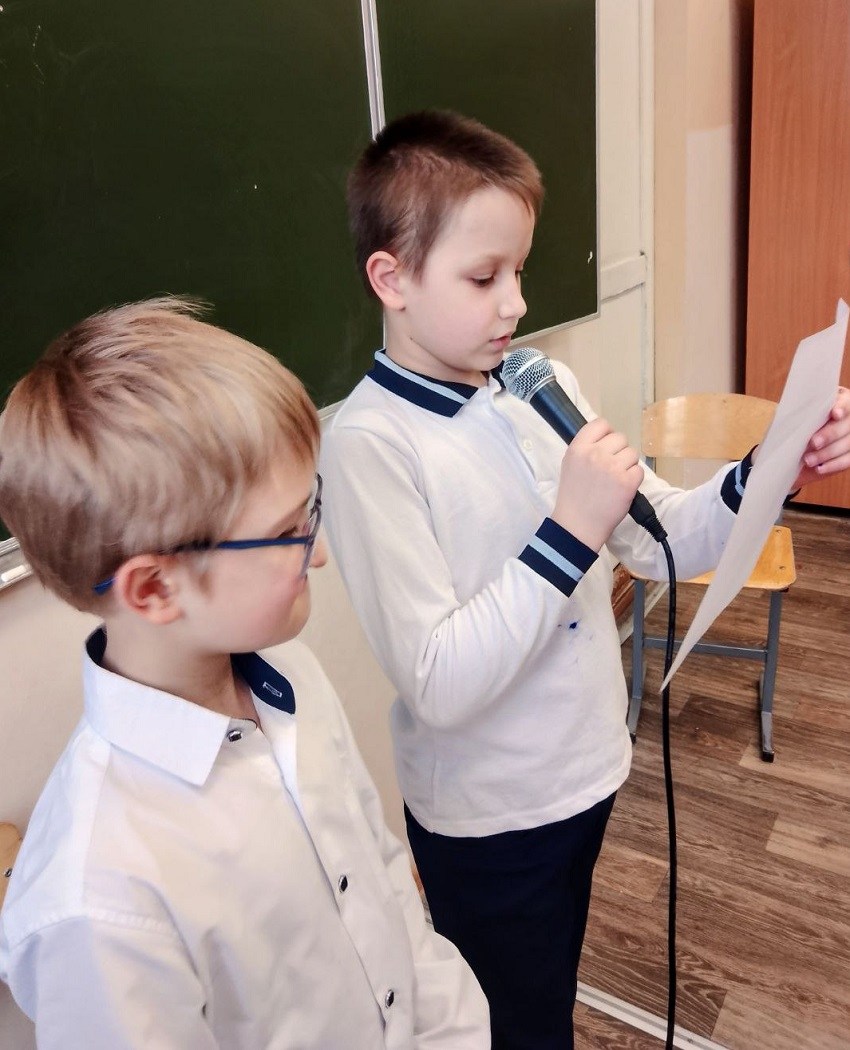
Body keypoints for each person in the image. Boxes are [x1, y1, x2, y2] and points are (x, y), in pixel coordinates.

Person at [320, 109, 850, 1049]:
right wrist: (569, 529)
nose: (515, 304)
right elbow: (438, 679)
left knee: (550, 985)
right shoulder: (369, 446)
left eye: (519, 271)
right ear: (391, 279)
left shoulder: (538, 386)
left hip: (588, 769)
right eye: (483, 278)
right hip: (491, 815)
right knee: (510, 1021)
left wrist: (771, 467)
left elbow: (661, 536)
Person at [0, 298, 489, 1049]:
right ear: (155, 589)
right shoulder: (98, 899)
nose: (318, 552)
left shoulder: (290, 678)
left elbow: (383, 877)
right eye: (288, 532)